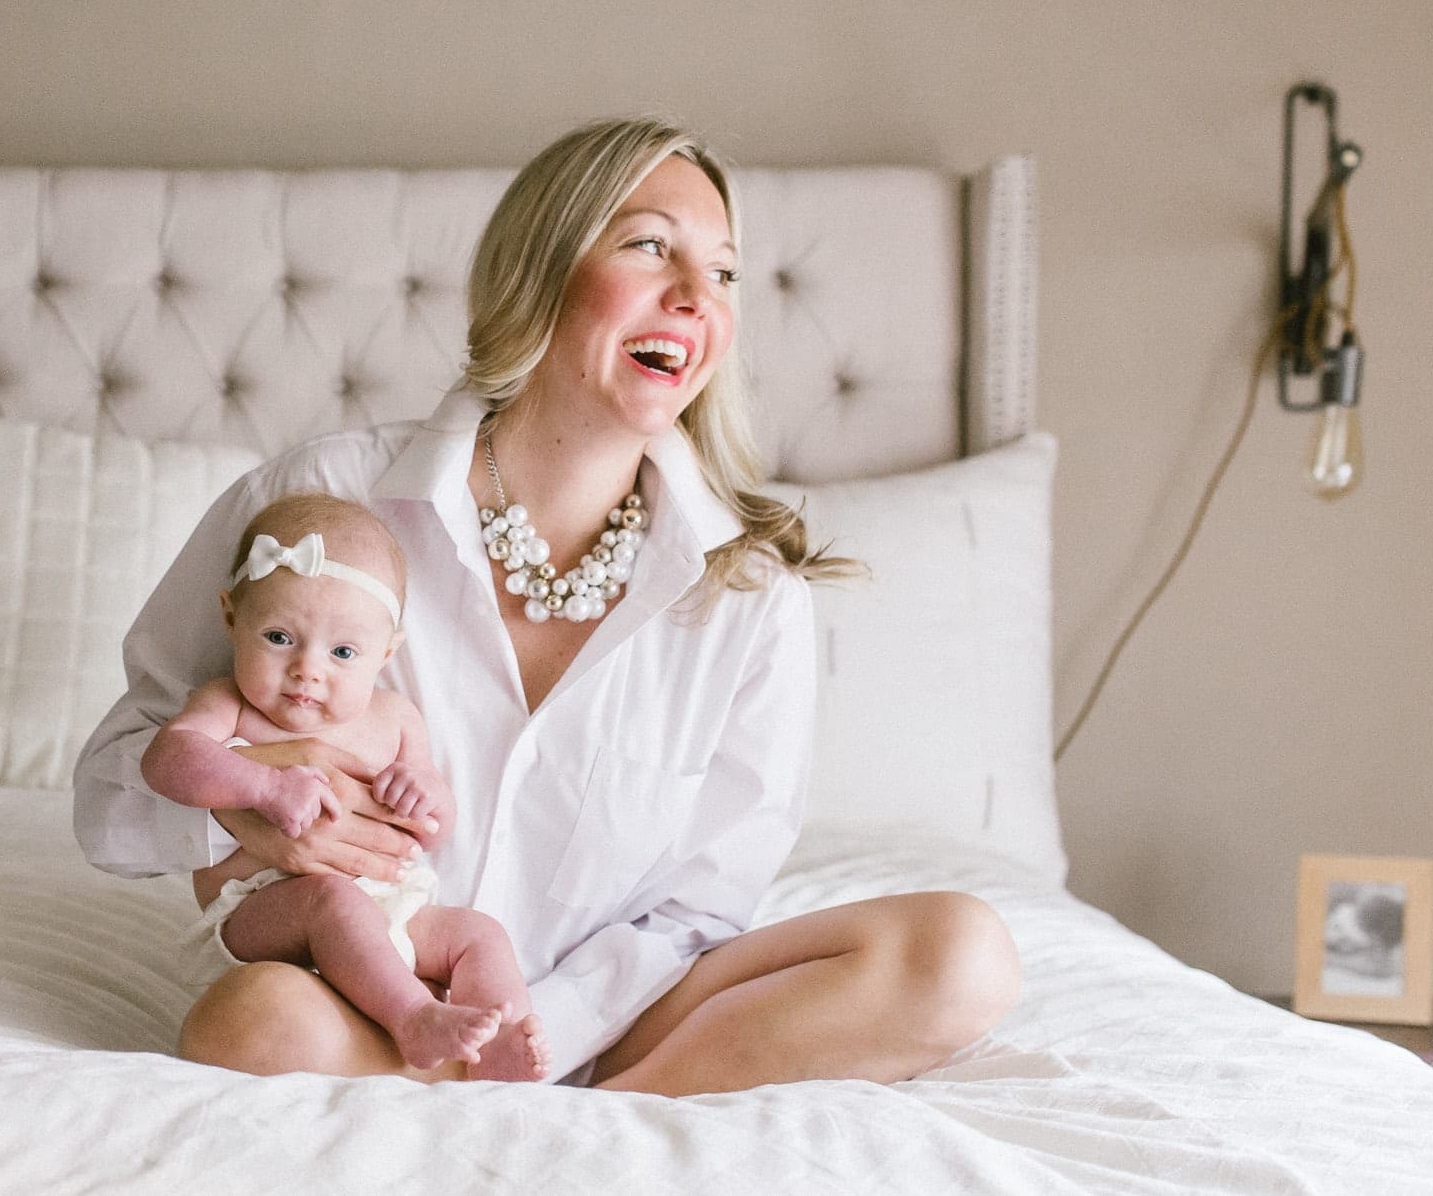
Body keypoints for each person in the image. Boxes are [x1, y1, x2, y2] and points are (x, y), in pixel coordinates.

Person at [75, 116, 1022, 1093]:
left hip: (625, 1019)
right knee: (254, 1023)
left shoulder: (746, 592)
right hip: (363, 991)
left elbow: (700, 906)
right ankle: (497, 1107)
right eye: (651, 246)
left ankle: (577, 1117)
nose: (697, 298)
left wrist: (542, 1033)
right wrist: (249, 815)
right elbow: (108, 801)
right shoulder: (324, 506)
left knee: (960, 954)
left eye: (725, 274)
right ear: (541, 268)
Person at [139, 491, 548, 1080]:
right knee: (332, 900)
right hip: (266, 915)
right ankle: (414, 1018)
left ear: (386, 652)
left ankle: (495, 1043)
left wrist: (422, 796)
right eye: (279, 638)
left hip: (393, 911)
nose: (309, 669)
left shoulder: (397, 717)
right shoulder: (226, 703)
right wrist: (261, 785)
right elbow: (167, 760)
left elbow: (435, 829)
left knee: (477, 933)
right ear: (232, 617)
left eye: (343, 651)